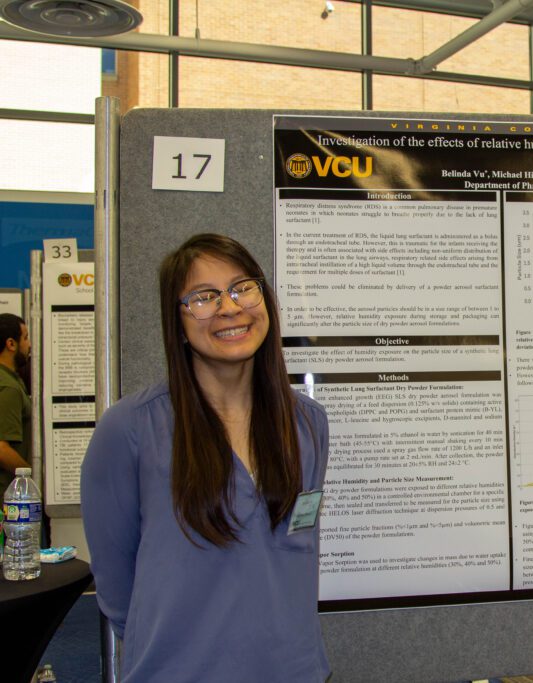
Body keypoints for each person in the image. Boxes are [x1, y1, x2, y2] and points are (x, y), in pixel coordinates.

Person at [81, 234, 331, 682]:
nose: (229, 308)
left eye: (242, 288)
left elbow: (298, 546)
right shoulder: (130, 429)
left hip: (292, 670)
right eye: (203, 297)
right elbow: (117, 589)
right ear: (177, 324)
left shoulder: (307, 424)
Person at [0, 313, 32, 491]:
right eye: (25, 338)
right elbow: (2, 449)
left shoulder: (11, 379)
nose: (29, 345)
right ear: (11, 344)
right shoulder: (8, 387)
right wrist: (32, 478)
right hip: (7, 495)